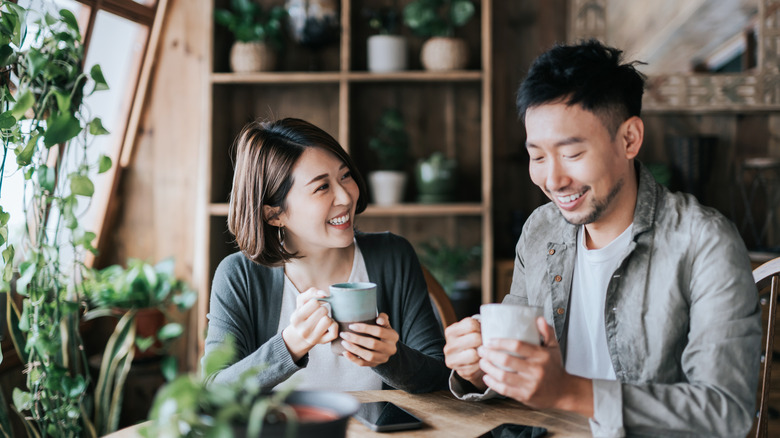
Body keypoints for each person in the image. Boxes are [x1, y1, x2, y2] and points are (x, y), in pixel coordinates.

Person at [443, 40, 762, 437]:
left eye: (572, 154)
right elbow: (518, 378)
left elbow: (725, 411)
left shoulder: (704, 242)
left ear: (629, 138)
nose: (553, 180)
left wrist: (572, 393)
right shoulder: (540, 231)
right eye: (538, 157)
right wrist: (478, 372)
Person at [202, 117, 449, 393]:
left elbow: (441, 378)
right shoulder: (239, 276)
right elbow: (212, 393)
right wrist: (290, 345)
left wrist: (390, 358)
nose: (345, 196)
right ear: (274, 214)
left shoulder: (393, 256)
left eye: (344, 176)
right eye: (322, 187)